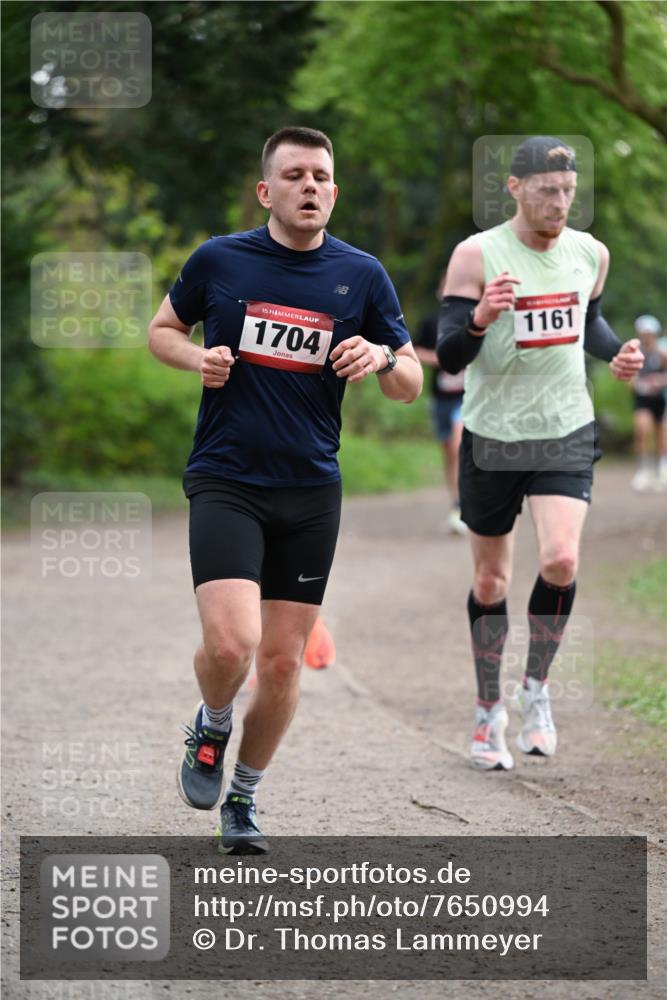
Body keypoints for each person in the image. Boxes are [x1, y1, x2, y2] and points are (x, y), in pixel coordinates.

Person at [148, 126, 422, 851]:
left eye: (322, 176)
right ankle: (211, 725)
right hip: (226, 477)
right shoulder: (219, 259)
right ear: (266, 191)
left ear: (333, 190)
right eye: (295, 174)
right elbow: (161, 329)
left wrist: (383, 355)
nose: (310, 186)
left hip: (309, 489)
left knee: (279, 661)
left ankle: (242, 800)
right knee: (233, 644)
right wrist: (193, 357)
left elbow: (408, 386)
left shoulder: (361, 276)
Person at [437, 136, 643, 771]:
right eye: (548, 190)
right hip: (494, 435)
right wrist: (478, 320)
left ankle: (536, 691)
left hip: (564, 428)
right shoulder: (477, 255)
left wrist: (617, 353)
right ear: (516, 188)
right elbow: (447, 354)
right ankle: (486, 708)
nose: (560, 202)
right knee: (491, 579)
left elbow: (590, 320)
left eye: (568, 191)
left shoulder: (591, 253)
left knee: (559, 559)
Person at [413, 290, 466, 534]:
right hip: (441, 397)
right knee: (449, 452)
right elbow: (414, 350)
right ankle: (456, 503)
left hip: (468, 396)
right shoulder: (431, 322)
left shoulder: (474, 317)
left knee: (458, 444)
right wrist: (440, 358)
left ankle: (466, 505)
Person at [630, 315, 667, 492]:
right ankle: (644, 470)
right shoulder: (635, 355)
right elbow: (629, 380)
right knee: (642, 429)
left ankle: (662, 469)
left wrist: (659, 381)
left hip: (660, 399)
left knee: (662, 434)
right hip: (642, 399)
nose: (647, 336)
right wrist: (639, 384)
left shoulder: (662, 354)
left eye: (649, 333)